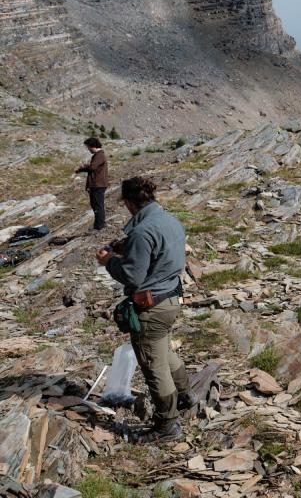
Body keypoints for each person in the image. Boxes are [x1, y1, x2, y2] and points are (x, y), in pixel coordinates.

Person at [96, 176, 195, 443]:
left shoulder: (142, 232)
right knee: (163, 352)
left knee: (154, 366)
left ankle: (167, 426)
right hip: (171, 300)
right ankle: (185, 396)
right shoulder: (169, 220)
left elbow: (133, 276)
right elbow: (159, 249)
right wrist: (127, 247)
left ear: (128, 203)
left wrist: (108, 261)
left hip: (151, 307)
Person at [75, 137, 109, 231]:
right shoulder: (98, 155)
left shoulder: (99, 155)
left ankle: (100, 226)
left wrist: (82, 168)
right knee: (96, 205)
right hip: (97, 184)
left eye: (88, 147)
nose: (88, 149)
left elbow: (93, 167)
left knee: (97, 205)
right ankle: (98, 224)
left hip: (98, 184)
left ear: (93, 146)